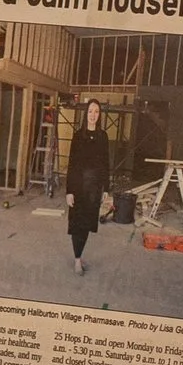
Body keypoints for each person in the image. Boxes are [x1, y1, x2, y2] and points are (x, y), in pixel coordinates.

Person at [65, 99, 113, 261]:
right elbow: (71, 165)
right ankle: (77, 258)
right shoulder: (78, 137)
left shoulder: (103, 136)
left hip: (94, 188)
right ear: (86, 113)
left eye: (96, 112)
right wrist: (69, 191)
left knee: (86, 224)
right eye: (91, 111)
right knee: (77, 224)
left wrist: (106, 188)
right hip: (78, 186)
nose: (93, 115)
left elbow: (106, 164)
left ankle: (79, 254)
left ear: (99, 115)